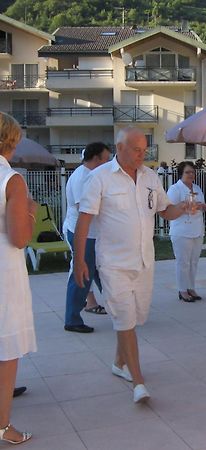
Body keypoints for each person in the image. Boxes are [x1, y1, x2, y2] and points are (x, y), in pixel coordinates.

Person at [73, 127, 185, 403]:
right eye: (137, 150)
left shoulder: (149, 177)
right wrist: (78, 260)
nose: (141, 155)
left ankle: (118, 363)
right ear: (119, 148)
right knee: (124, 319)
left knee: (133, 318)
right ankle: (138, 382)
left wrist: (183, 208)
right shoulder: (99, 178)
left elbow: (164, 209)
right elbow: (84, 221)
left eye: (144, 150)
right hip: (113, 264)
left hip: (144, 261)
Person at [0, 112, 36, 444]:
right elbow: (19, 238)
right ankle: (2, 426)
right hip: (3, 273)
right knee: (5, 348)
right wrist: (29, 211)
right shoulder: (10, 180)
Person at [63, 142, 111, 333]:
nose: (108, 163)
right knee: (82, 274)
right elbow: (86, 210)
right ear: (96, 158)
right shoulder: (82, 177)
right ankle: (72, 319)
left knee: (102, 272)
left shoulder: (91, 175)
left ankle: (118, 308)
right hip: (83, 234)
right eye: (106, 159)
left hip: (94, 234)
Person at [167, 161, 206, 302]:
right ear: (181, 173)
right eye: (187, 172)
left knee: (194, 261)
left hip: (197, 229)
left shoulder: (196, 188)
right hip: (181, 230)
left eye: (192, 172)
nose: (191, 174)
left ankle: (191, 287)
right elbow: (170, 209)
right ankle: (182, 290)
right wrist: (185, 206)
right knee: (183, 262)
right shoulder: (175, 189)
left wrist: (202, 206)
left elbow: (200, 204)